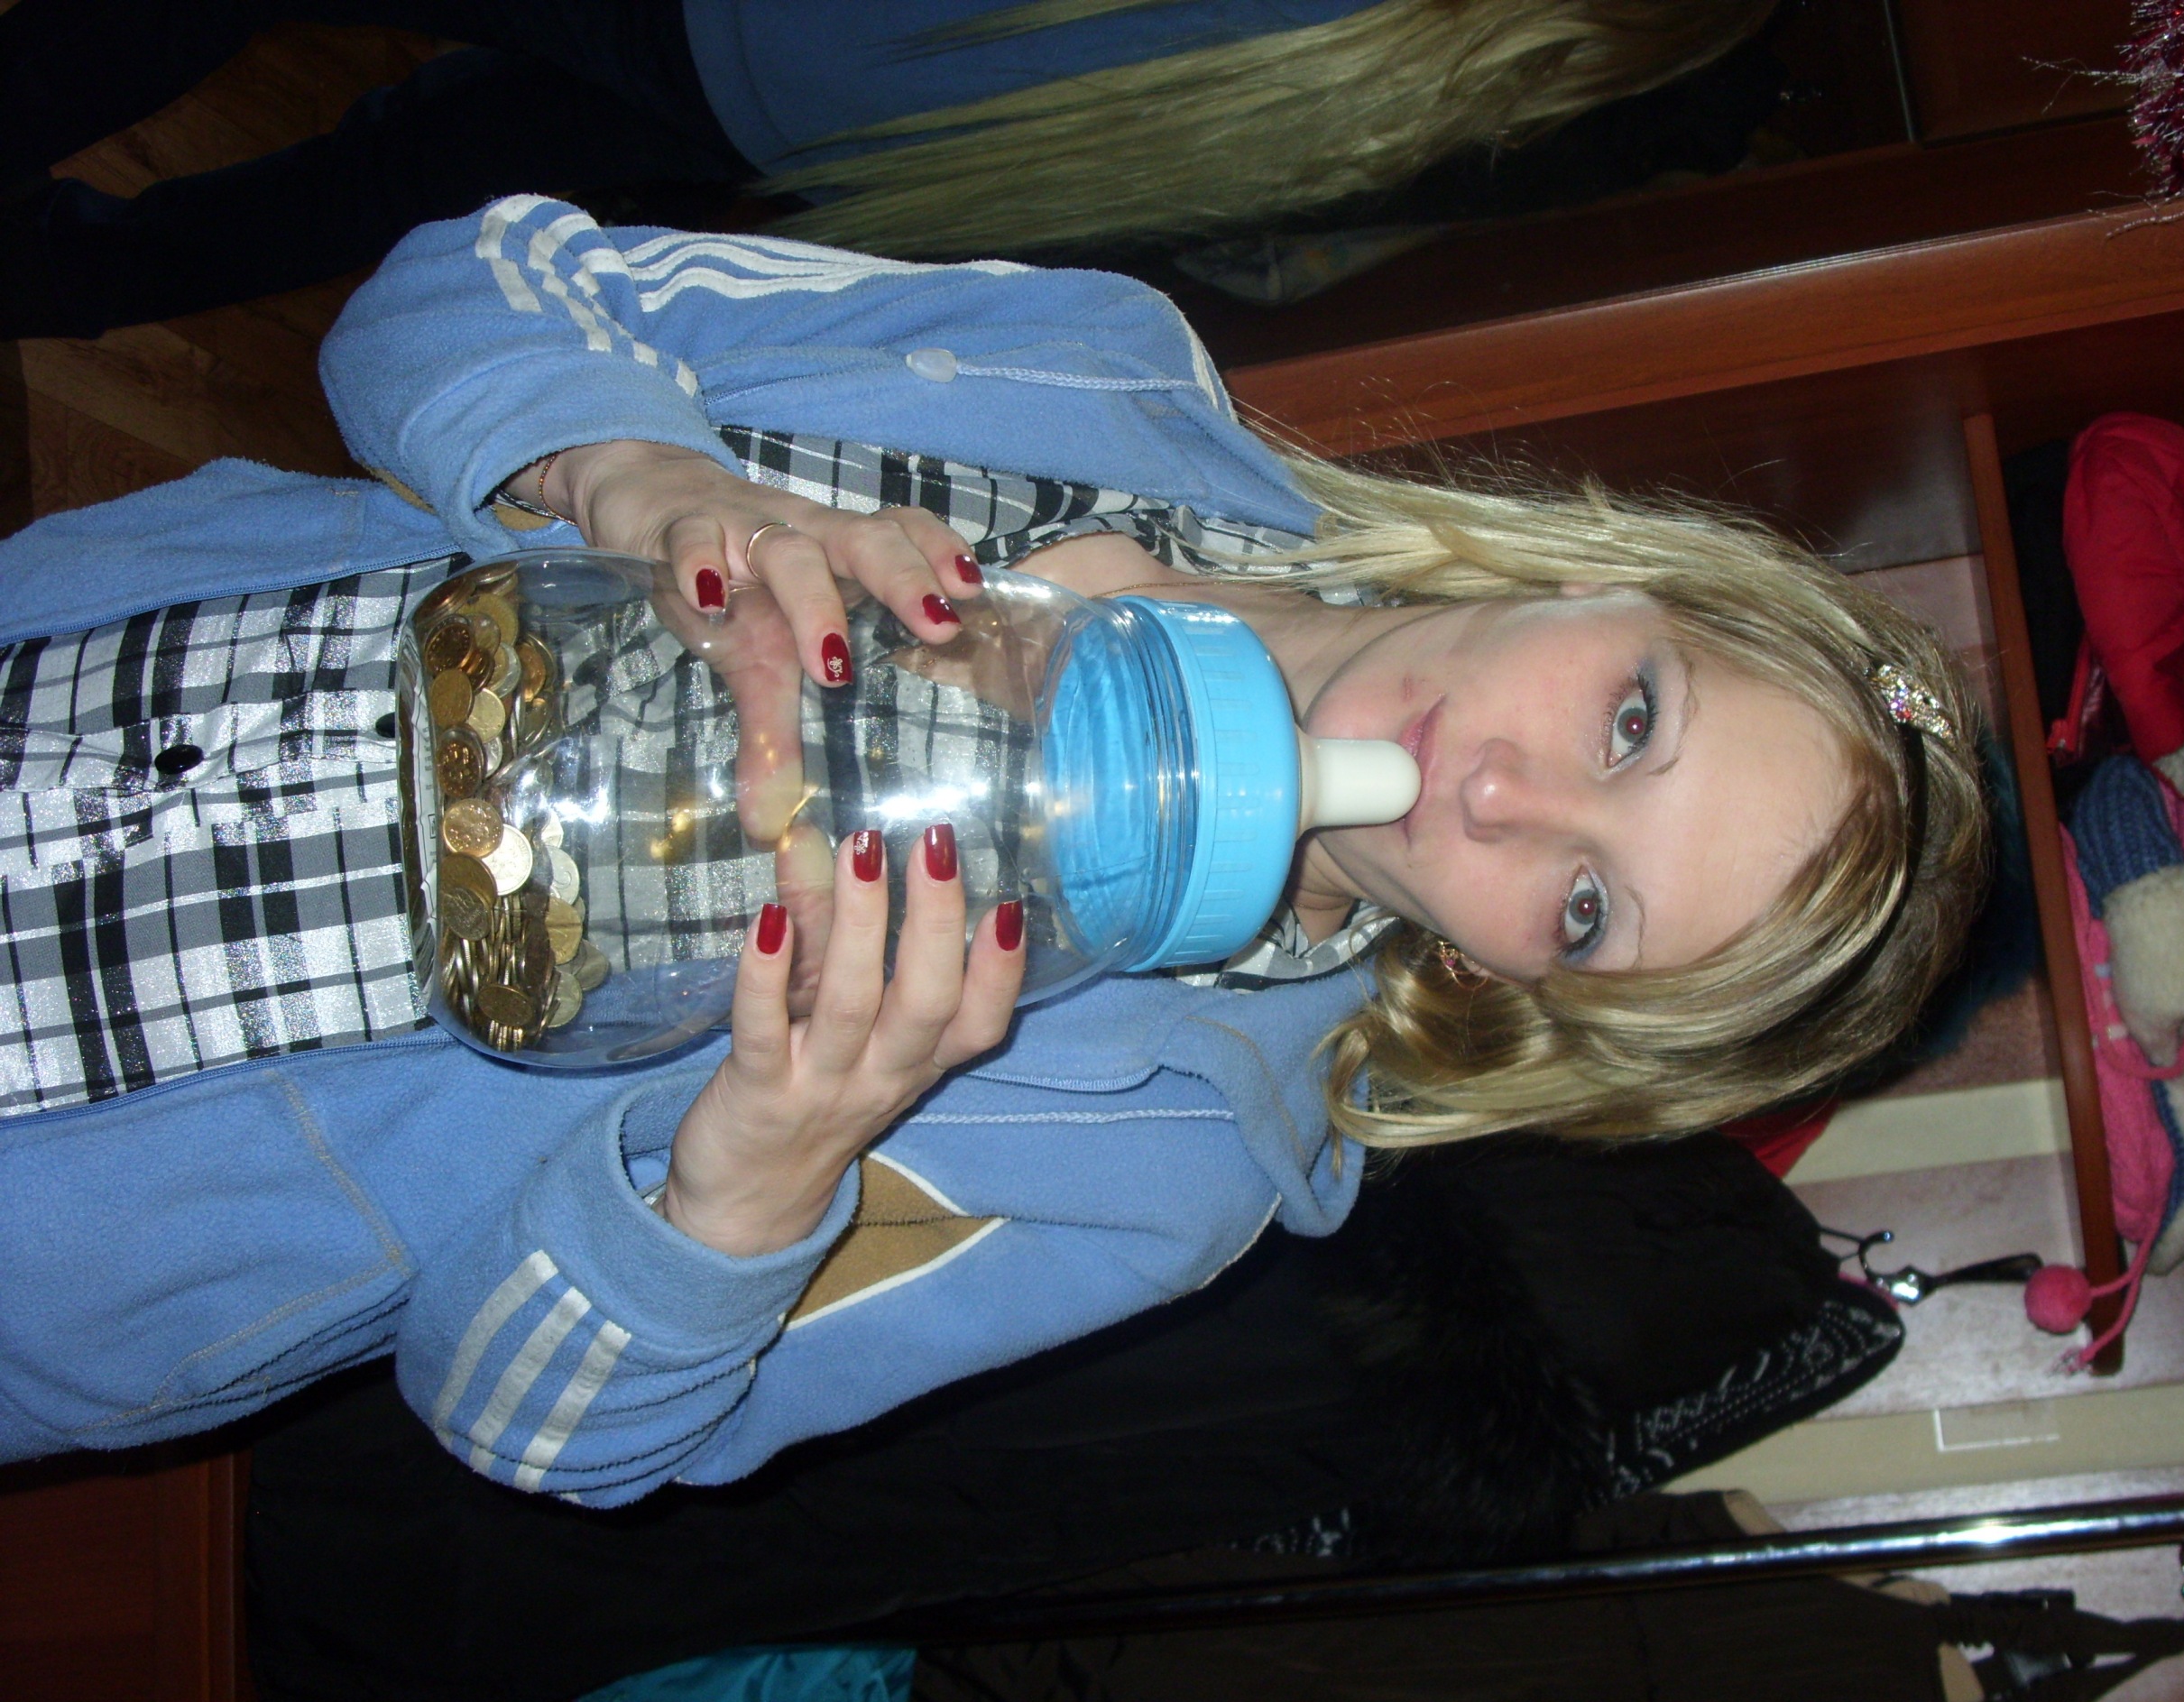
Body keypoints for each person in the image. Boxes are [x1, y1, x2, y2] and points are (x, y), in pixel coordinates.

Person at [0, 197, 1986, 1504]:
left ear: (1500, 977)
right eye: (1627, 719)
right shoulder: (1081, 387)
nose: (1502, 798)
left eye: (1584, 902)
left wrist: (755, 1173)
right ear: (1606, 579)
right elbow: (468, 277)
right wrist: (640, 473)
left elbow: (536, 1432)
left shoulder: (1159, 1153)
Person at [0, 0, 1770, 338]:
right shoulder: (1522, 84)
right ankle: (60, 274)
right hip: (827, 127)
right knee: (418, 163)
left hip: (787, 33)